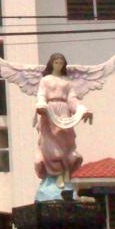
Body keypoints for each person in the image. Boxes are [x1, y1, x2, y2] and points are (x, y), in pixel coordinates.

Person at [34, 53, 92, 188]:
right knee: (51, 144)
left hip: (64, 111)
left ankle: (66, 172)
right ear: (51, 64)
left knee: (66, 141)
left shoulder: (67, 82)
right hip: (49, 112)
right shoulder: (45, 80)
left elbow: (72, 100)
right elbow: (41, 94)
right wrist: (41, 104)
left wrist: (82, 110)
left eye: (61, 63)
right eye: (56, 62)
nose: (58, 65)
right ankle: (57, 174)